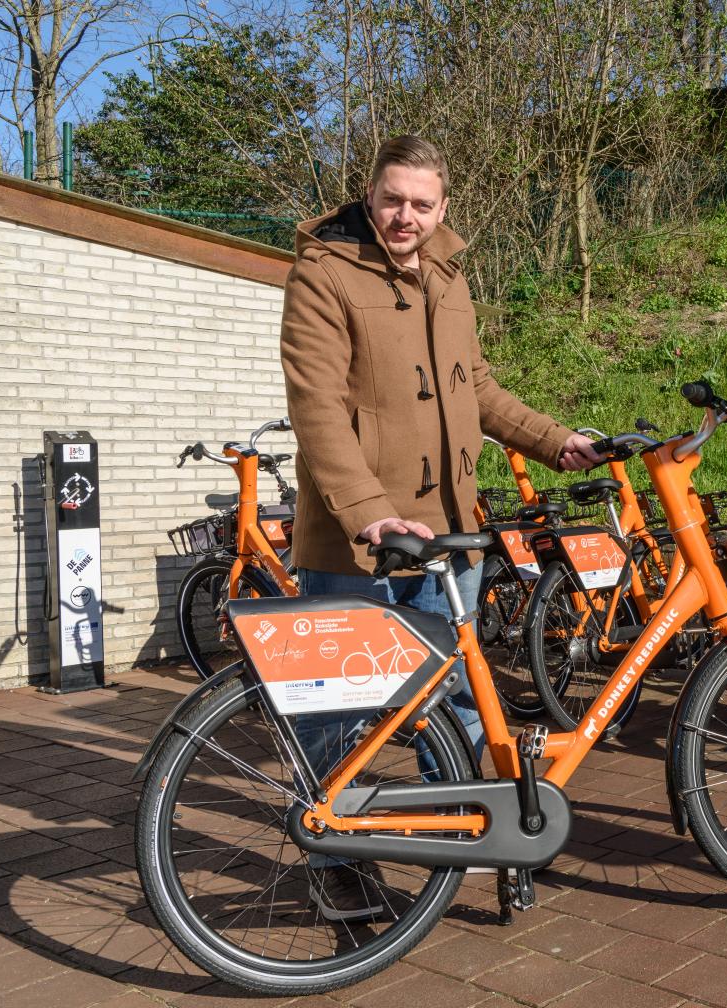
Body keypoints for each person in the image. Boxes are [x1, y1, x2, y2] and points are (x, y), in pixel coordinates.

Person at [280, 135, 601, 920]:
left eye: (422, 204)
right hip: (357, 538)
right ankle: (331, 855)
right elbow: (316, 405)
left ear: (443, 206)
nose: (406, 217)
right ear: (369, 192)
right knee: (335, 708)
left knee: (453, 701)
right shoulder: (324, 270)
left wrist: (554, 440)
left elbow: (476, 387)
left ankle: (462, 833)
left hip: (449, 530)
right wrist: (367, 511)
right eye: (393, 199)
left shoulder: (450, 275)